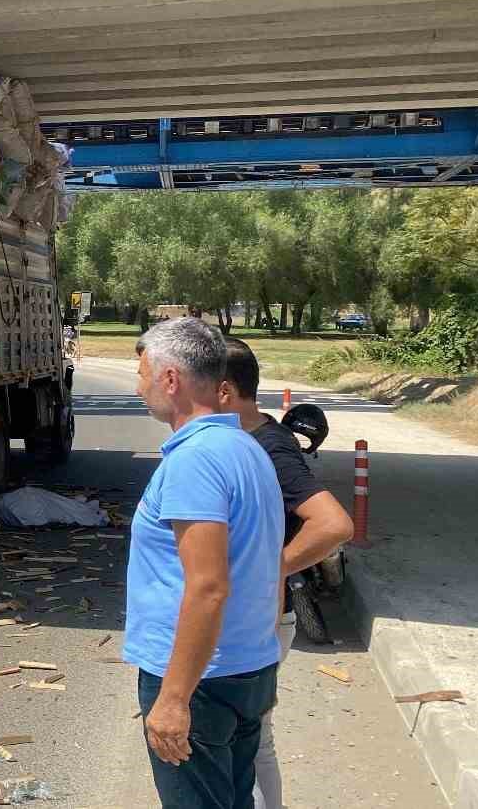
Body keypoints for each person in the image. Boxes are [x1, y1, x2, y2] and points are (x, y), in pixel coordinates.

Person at [127, 318, 284, 809]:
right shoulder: (245, 447)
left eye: (143, 372)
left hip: (201, 682)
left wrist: (173, 698)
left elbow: (209, 586)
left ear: (170, 379)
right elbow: (264, 562)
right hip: (247, 669)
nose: (138, 385)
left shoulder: (194, 460)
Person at [218, 339, 355, 809]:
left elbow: (335, 524)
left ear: (223, 390)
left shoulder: (270, 448)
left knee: (250, 738)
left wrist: (269, 568)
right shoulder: (243, 440)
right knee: (251, 737)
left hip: (262, 616)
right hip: (252, 614)